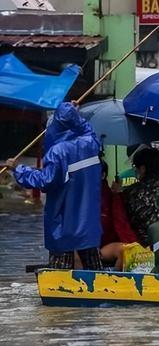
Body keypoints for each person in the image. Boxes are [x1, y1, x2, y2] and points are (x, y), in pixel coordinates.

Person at [5, 101, 103, 270]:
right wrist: (73, 113)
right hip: (87, 221)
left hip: (63, 222)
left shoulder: (57, 152)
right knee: (94, 269)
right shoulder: (92, 142)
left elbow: (45, 181)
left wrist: (18, 169)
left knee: (60, 273)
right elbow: (85, 127)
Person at [116, 147, 159, 246]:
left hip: (140, 247)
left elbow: (123, 220)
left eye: (136, 167)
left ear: (142, 169)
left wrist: (116, 195)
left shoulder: (132, 192)